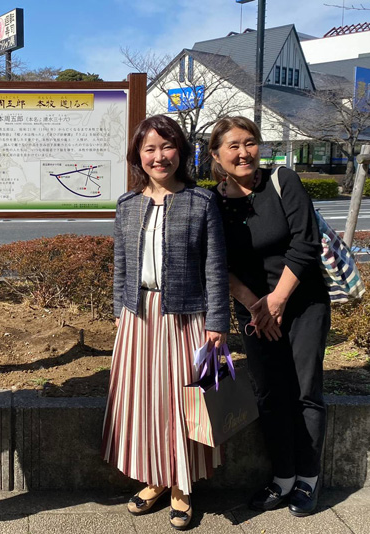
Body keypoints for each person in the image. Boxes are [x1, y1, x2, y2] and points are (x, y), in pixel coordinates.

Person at [101, 114, 229, 530]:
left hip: (186, 316)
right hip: (139, 317)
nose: (159, 156)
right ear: (138, 155)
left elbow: (215, 266)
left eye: (167, 146)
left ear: (181, 151)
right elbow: (121, 265)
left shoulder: (201, 202)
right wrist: (120, 311)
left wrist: (217, 322)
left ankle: (181, 485)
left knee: (181, 404)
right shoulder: (128, 204)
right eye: (150, 148)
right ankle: (154, 478)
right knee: (145, 403)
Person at [209, 116, 330, 517]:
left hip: (302, 301)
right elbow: (216, 261)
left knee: (305, 390)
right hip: (254, 312)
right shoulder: (215, 201)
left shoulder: (282, 180)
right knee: (269, 395)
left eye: (250, 142)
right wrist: (254, 305)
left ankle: (308, 478)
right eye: (233, 146)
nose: (244, 153)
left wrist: (276, 300)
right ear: (216, 155)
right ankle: (282, 476)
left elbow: (305, 242)